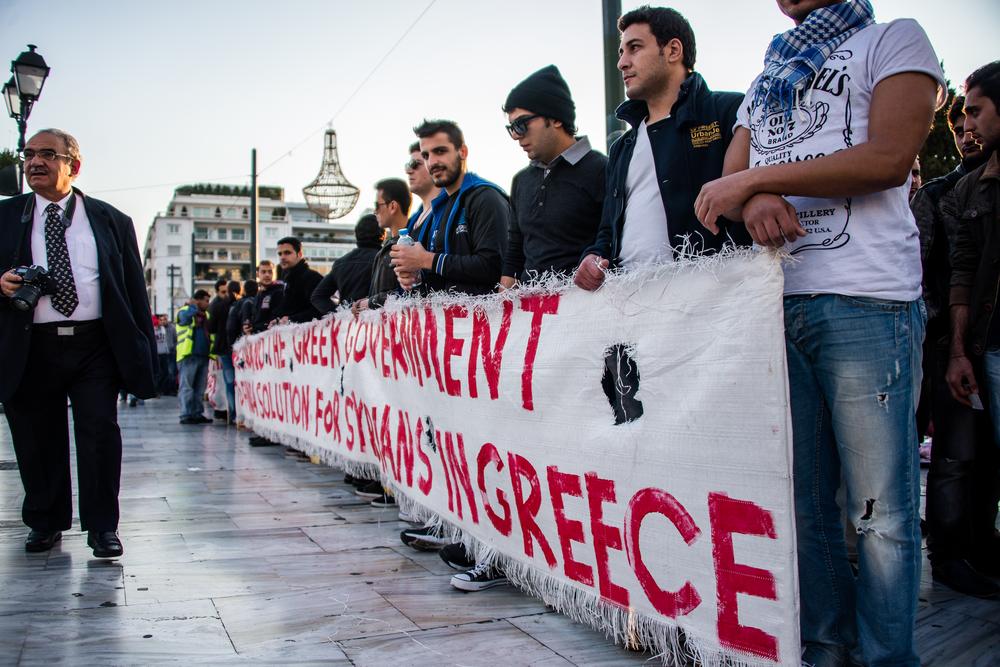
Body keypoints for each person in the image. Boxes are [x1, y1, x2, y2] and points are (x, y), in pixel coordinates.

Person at [694, 1, 945, 663]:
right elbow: (726, 185)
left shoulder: (894, 40)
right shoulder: (767, 76)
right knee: (804, 502)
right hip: (779, 301)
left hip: (867, 300)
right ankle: (826, 648)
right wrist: (752, 195)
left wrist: (755, 181)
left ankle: (889, 657)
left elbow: (889, 158)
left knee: (880, 513)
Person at [0, 128, 156, 559]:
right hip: (31, 346)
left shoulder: (111, 220)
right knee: (35, 437)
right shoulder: (5, 215)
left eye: (48, 154)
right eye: (28, 154)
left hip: (94, 346)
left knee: (99, 435)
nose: (34, 162)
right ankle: (45, 522)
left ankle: (103, 528)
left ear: (74, 165)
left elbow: (132, 291)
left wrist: (141, 353)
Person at [574, 5, 749, 293]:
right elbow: (607, 231)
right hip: (630, 303)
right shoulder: (622, 147)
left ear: (673, 50)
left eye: (634, 48)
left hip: (711, 300)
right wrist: (591, 258)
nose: (622, 63)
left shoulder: (728, 110)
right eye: (621, 53)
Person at [911, 93, 997, 598]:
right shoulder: (942, 193)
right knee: (952, 456)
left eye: (973, 119)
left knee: (981, 457)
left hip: (980, 341)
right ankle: (947, 556)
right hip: (942, 340)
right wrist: (942, 333)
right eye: (959, 123)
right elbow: (918, 271)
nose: (966, 132)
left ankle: (978, 543)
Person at [943, 61, 1000, 592]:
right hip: (985, 344)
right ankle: (960, 551)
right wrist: (957, 349)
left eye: (976, 111)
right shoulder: (963, 191)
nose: (968, 125)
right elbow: (958, 269)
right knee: (969, 458)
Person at [501, 65, 606, 287]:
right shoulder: (521, 181)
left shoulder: (601, 169)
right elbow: (515, 252)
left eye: (521, 124)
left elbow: (611, 241)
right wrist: (504, 302)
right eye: (511, 127)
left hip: (586, 309)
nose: (516, 136)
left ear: (556, 118)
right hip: (534, 314)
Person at [390, 119, 511, 295]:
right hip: (448, 319)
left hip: (483, 318)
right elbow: (445, 275)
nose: (431, 162)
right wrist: (415, 276)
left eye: (440, 151)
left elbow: (493, 268)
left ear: (462, 151)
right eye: (426, 156)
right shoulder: (440, 207)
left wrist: (426, 260)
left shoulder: (485, 197)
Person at [352, 179, 412, 314]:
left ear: (392, 206)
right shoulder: (390, 245)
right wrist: (367, 301)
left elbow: (409, 294)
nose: (375, 211)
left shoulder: (408, 244)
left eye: (377, 205)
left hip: (399, 331)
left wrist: (368, 303)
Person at [310, 214, 381, 315]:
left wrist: (341, 314)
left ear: (356, 234)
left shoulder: (340, 263)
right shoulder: (384, 259)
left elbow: (318, 296)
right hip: (377, 323)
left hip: (348, 326)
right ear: (382, 235)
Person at [176, 289, 213, 425]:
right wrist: (193, 307)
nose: (208, 304)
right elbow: (184, 320)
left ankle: (197, 413)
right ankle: (186, 414)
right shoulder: (184, 311)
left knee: (199, 388)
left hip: (203, 355)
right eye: (206, 301)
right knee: (187, 386)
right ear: (198, 301)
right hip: (188, 355)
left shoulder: (206, 314)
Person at [274, 236, 322, 324]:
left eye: (287, 253)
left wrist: (291, 319)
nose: (282, 257)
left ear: (299, 254)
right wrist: (278, 321)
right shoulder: (287, 279)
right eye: (280, 254)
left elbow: (321, 310)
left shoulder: (312, 277)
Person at [405, 141, 441, 239]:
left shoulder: (450, 211)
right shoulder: (414, 219)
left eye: (415, 164)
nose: (408, 171)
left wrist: (424, 255)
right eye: (408, 165)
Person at [245, 260, 282, 334]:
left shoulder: (279, 292)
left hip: (271, 339)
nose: (267, 275)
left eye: (270, 272)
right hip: (258, 339)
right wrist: (249, 327)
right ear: (258, 274)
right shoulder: (259, 294)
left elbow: (276, 320)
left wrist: (255, 327)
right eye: (263, 272)